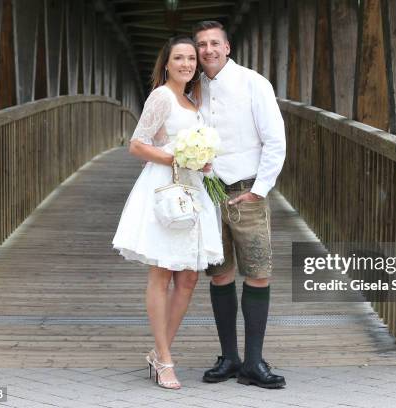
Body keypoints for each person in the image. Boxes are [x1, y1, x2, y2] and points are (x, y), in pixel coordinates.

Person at [112, 36, 223, 389]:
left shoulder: (191, 100)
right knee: (162, 274)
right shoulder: (161, 96)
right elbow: (136, 144)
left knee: (188, 277)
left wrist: (200, 160)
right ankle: (165, 360)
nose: (187, 64)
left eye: (192, 59)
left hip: (192, 188)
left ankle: (160, 354)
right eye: (179, 58)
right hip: (165, 188)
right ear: (166, 63)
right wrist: (178, 157)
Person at [193, 21, 287, 389]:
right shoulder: (192, 88)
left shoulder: (254, 83)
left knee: (258, 271)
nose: (208, 50)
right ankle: (229, 357)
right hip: (208, 192)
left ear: (228, 47)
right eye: (201, 44)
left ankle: (253, 361)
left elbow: (275, 140)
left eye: (215, 43)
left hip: (247, 189)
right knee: (219, 273)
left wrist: (260, 189)